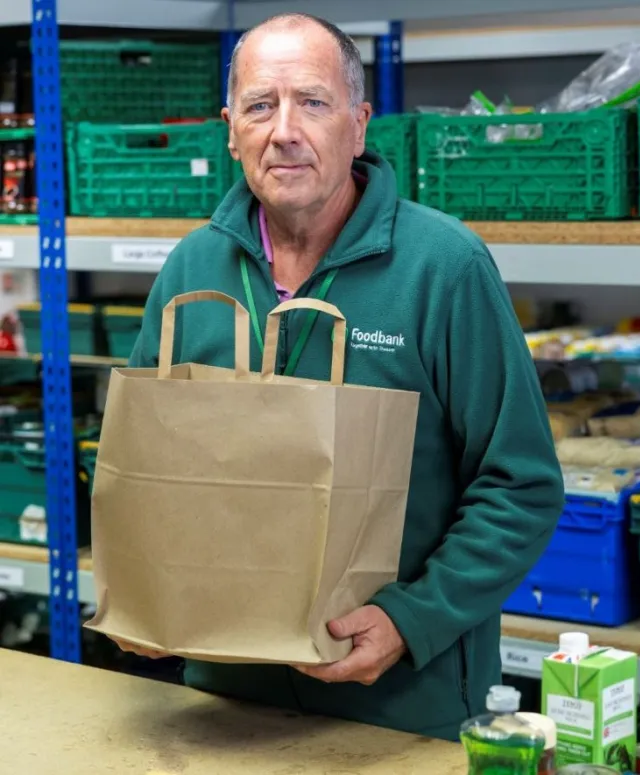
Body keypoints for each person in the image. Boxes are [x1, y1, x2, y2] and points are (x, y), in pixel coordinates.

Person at [121, 12, 564, 741]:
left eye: (313, 102)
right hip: (223, 706)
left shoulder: (443, 269)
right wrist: (144, 590)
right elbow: (145, 473)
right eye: (261, 105)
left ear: (358, 125)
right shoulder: (191, 271)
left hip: (402, 709)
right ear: (231, 129)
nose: (284, 129)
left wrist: (408, 618)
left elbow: (520, 485)